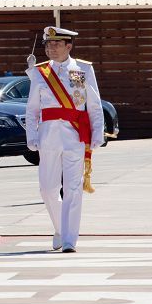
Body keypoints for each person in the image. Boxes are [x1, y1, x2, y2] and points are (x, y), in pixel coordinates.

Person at [24, 26, 104, 253]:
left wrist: (98, 132)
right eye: (48, 44)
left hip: (75, 135)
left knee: (73, 188)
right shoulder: (40, 73)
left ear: (69, 46)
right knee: (47, 189)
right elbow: (32, 109)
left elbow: (93, 104)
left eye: (57, 44)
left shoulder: (81, 70)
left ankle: (69, 239)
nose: (51, 48)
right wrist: (31, 135)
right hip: (48, 136)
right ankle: (60, 228)